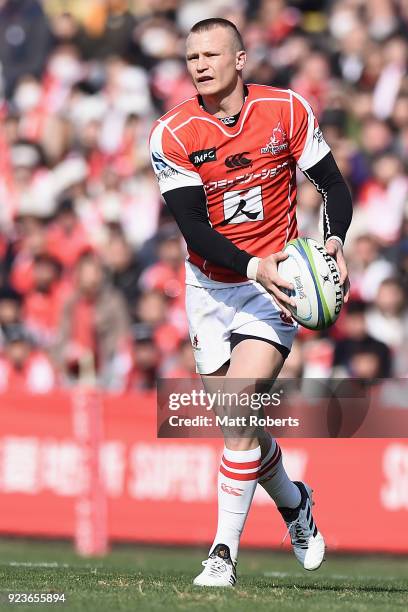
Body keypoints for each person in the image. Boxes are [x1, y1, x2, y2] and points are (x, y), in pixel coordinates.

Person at [149, 18, 352, 588]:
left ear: (240, 60)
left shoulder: (287, 111)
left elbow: (332, 186)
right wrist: (250, 267)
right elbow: (193, 229)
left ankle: (221, 556)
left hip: (277, 284)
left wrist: (333, 240)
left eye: (211, 54)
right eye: (191, 57)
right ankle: (294, 503)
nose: (199, 64)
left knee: (239, 415)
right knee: (237, 427)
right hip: (211, 286)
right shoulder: (173, 132)